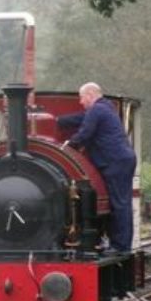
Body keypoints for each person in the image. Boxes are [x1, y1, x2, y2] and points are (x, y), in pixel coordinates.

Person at [58, 83, 137, 254]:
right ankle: (120, 244)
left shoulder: (97, 110)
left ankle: (121, 246)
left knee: (120, 204)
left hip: (115, 161)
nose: (80, 101)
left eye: (82, 97)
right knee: (120, 203)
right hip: (120, 160)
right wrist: (56, 121)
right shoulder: (104, 108)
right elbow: (80, 119)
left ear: (90, 94)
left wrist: (67, 147)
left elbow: (85, 132)